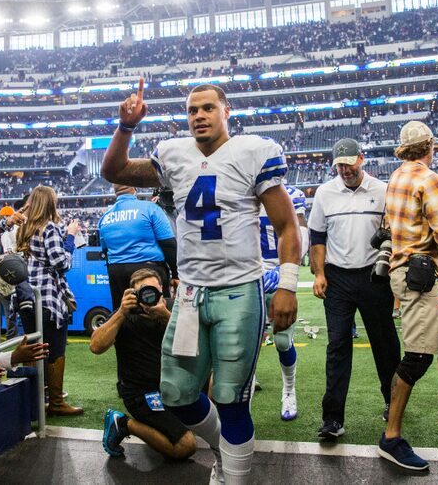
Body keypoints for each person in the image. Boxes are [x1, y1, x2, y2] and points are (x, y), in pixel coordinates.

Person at [101, 79, 300, 484]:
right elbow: (114, 171)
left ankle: (235, 476)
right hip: (190, 293)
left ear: (226, 112)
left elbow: (286, 224)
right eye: (192, 110)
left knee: (230, 399)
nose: (199, 116)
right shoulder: (174, 154)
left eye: (208, 108)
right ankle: (224, 453)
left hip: (239, 290)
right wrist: (125, 127)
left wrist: (288, 284)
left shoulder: (253, 152)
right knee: (176, 393)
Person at [379, 121, 438, 471]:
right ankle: (391, 437)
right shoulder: (428, 178)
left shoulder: (397, 176)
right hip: (420, 276)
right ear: (430, 146)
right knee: (416, 357)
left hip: (406, 271)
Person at [308, 138, 401, 439]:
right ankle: (332, 418)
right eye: (339, 165)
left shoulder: (382, 189)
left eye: (349, 163)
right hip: (337, 279)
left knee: (384, 343)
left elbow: (395, 234)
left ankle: (393, 402)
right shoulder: (324, 192)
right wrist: (319, 274)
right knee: (337, 346)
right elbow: (317, 238)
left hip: (374, 276)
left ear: (362, 159)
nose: (345, 170)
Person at [90, 268, 196, 460]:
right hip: (141, 394)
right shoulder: (124, 315)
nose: (149, 297)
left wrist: (165, 315)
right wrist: (122, 312)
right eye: (143, 292)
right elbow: (96, 346)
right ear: (133, 295)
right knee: (185, 446)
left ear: (161, 289)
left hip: (172, 386)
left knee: (214, 377)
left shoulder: (172, 308)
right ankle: (123, 423)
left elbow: (196, 344)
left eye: (153, 290)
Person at [16, 186, 83, 416]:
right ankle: (55, 402)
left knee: (33, 349)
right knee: (54, 349)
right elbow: (60, 263)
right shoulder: (49, 227)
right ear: (50, 204)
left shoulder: (24, 227)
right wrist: (71, 238)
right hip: (48, 298)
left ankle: (33, 403)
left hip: (26, 297)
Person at [259, 182, 308, 421]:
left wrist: (286, 271)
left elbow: (301, 233)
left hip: (279, 274)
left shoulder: (292, 195)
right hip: (248, 276)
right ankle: (248, 379)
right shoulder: (242, 190)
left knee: (281, 340)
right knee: (242, 338)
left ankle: (289, 390)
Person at [99, 184, 178, 309]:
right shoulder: (150, 208)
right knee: (156, 314)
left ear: (115, 191)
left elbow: (104, 249)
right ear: (134, 187)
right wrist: (175, 274)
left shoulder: (105, 217)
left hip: (117, 273)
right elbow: (168, 244)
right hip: (149, 270)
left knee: (124, 316)